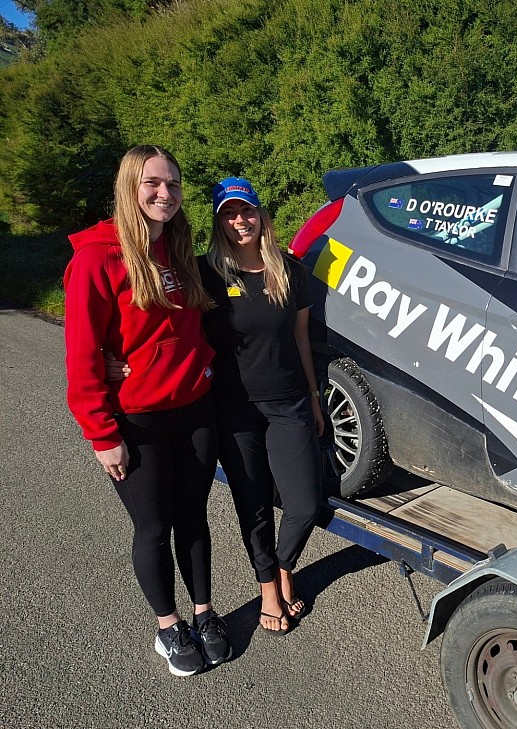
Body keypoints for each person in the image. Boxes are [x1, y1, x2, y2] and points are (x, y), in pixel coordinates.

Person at [64, 145, 232, 676]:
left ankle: (204, 613)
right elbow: (81, 354)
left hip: (195, 409)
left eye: (173, 184)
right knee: (154, 526)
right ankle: (168, 626)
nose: (165, 193)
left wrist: (202, 368)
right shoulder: (97, 258)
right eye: (152, 183)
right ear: (129, 187)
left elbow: (190, 328)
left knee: (194, 517)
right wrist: (101, 434)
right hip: (137, 420)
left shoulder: (176, 249)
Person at [202, 177, 324, 634]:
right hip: (233, 409)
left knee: (304, 504)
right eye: (229, 214)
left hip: (289, 402)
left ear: (261, 215)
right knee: (252, 505)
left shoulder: (290, 272)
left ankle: (285, 566)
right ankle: (268, 588)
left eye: (247, 210)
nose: (240, 220)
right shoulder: (206, 273)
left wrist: (313, 399)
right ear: (219, 222)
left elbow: (301, 338)